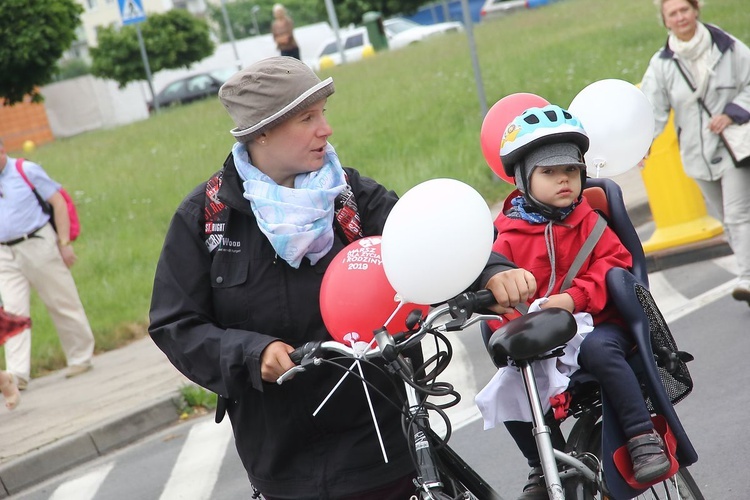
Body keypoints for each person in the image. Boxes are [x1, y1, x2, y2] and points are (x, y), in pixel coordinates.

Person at [148, 56, 536, 500]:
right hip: (282, 459)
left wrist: (492, 271)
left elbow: (431, 240)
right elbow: (175, 324)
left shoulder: (351, 197)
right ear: (262, 132)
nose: (325, 129)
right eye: (307, 118)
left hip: (385, 443)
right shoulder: (206, 218)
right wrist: (252, 354)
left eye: (323, 114)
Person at [477, 105, 671, 499]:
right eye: (548, 172)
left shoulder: (590, 221)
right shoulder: (506, 238)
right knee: (508, 387)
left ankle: (640, 435)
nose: (563, 180)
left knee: (600, 351)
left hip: (600, 322)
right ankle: (543, 460)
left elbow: (616, 266)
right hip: (544, 340)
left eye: (571, 171)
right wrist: (510, 325)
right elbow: (499, 296)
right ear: (521, 179)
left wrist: (572, 298)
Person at [640, 0, 750, 305]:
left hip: (734, 146)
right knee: (728, 217)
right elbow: (653, 110)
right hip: (696, 154)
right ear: (665, 21)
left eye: (684, 10)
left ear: (696, 10)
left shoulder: (727, 47)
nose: (680, 17)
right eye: (672, 13)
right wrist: (641, 144)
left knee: (740, 214)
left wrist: (731, 112)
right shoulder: (661, 65)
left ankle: (747, 277)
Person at [0, 138, 95, 390]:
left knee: (61, 300)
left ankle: (80, 356)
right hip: (5, 252)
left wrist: (64, 243)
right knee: (12, 312)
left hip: (37, 243)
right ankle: (16, 375)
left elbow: (58, 202)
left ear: (2, 150)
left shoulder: (25, 170)